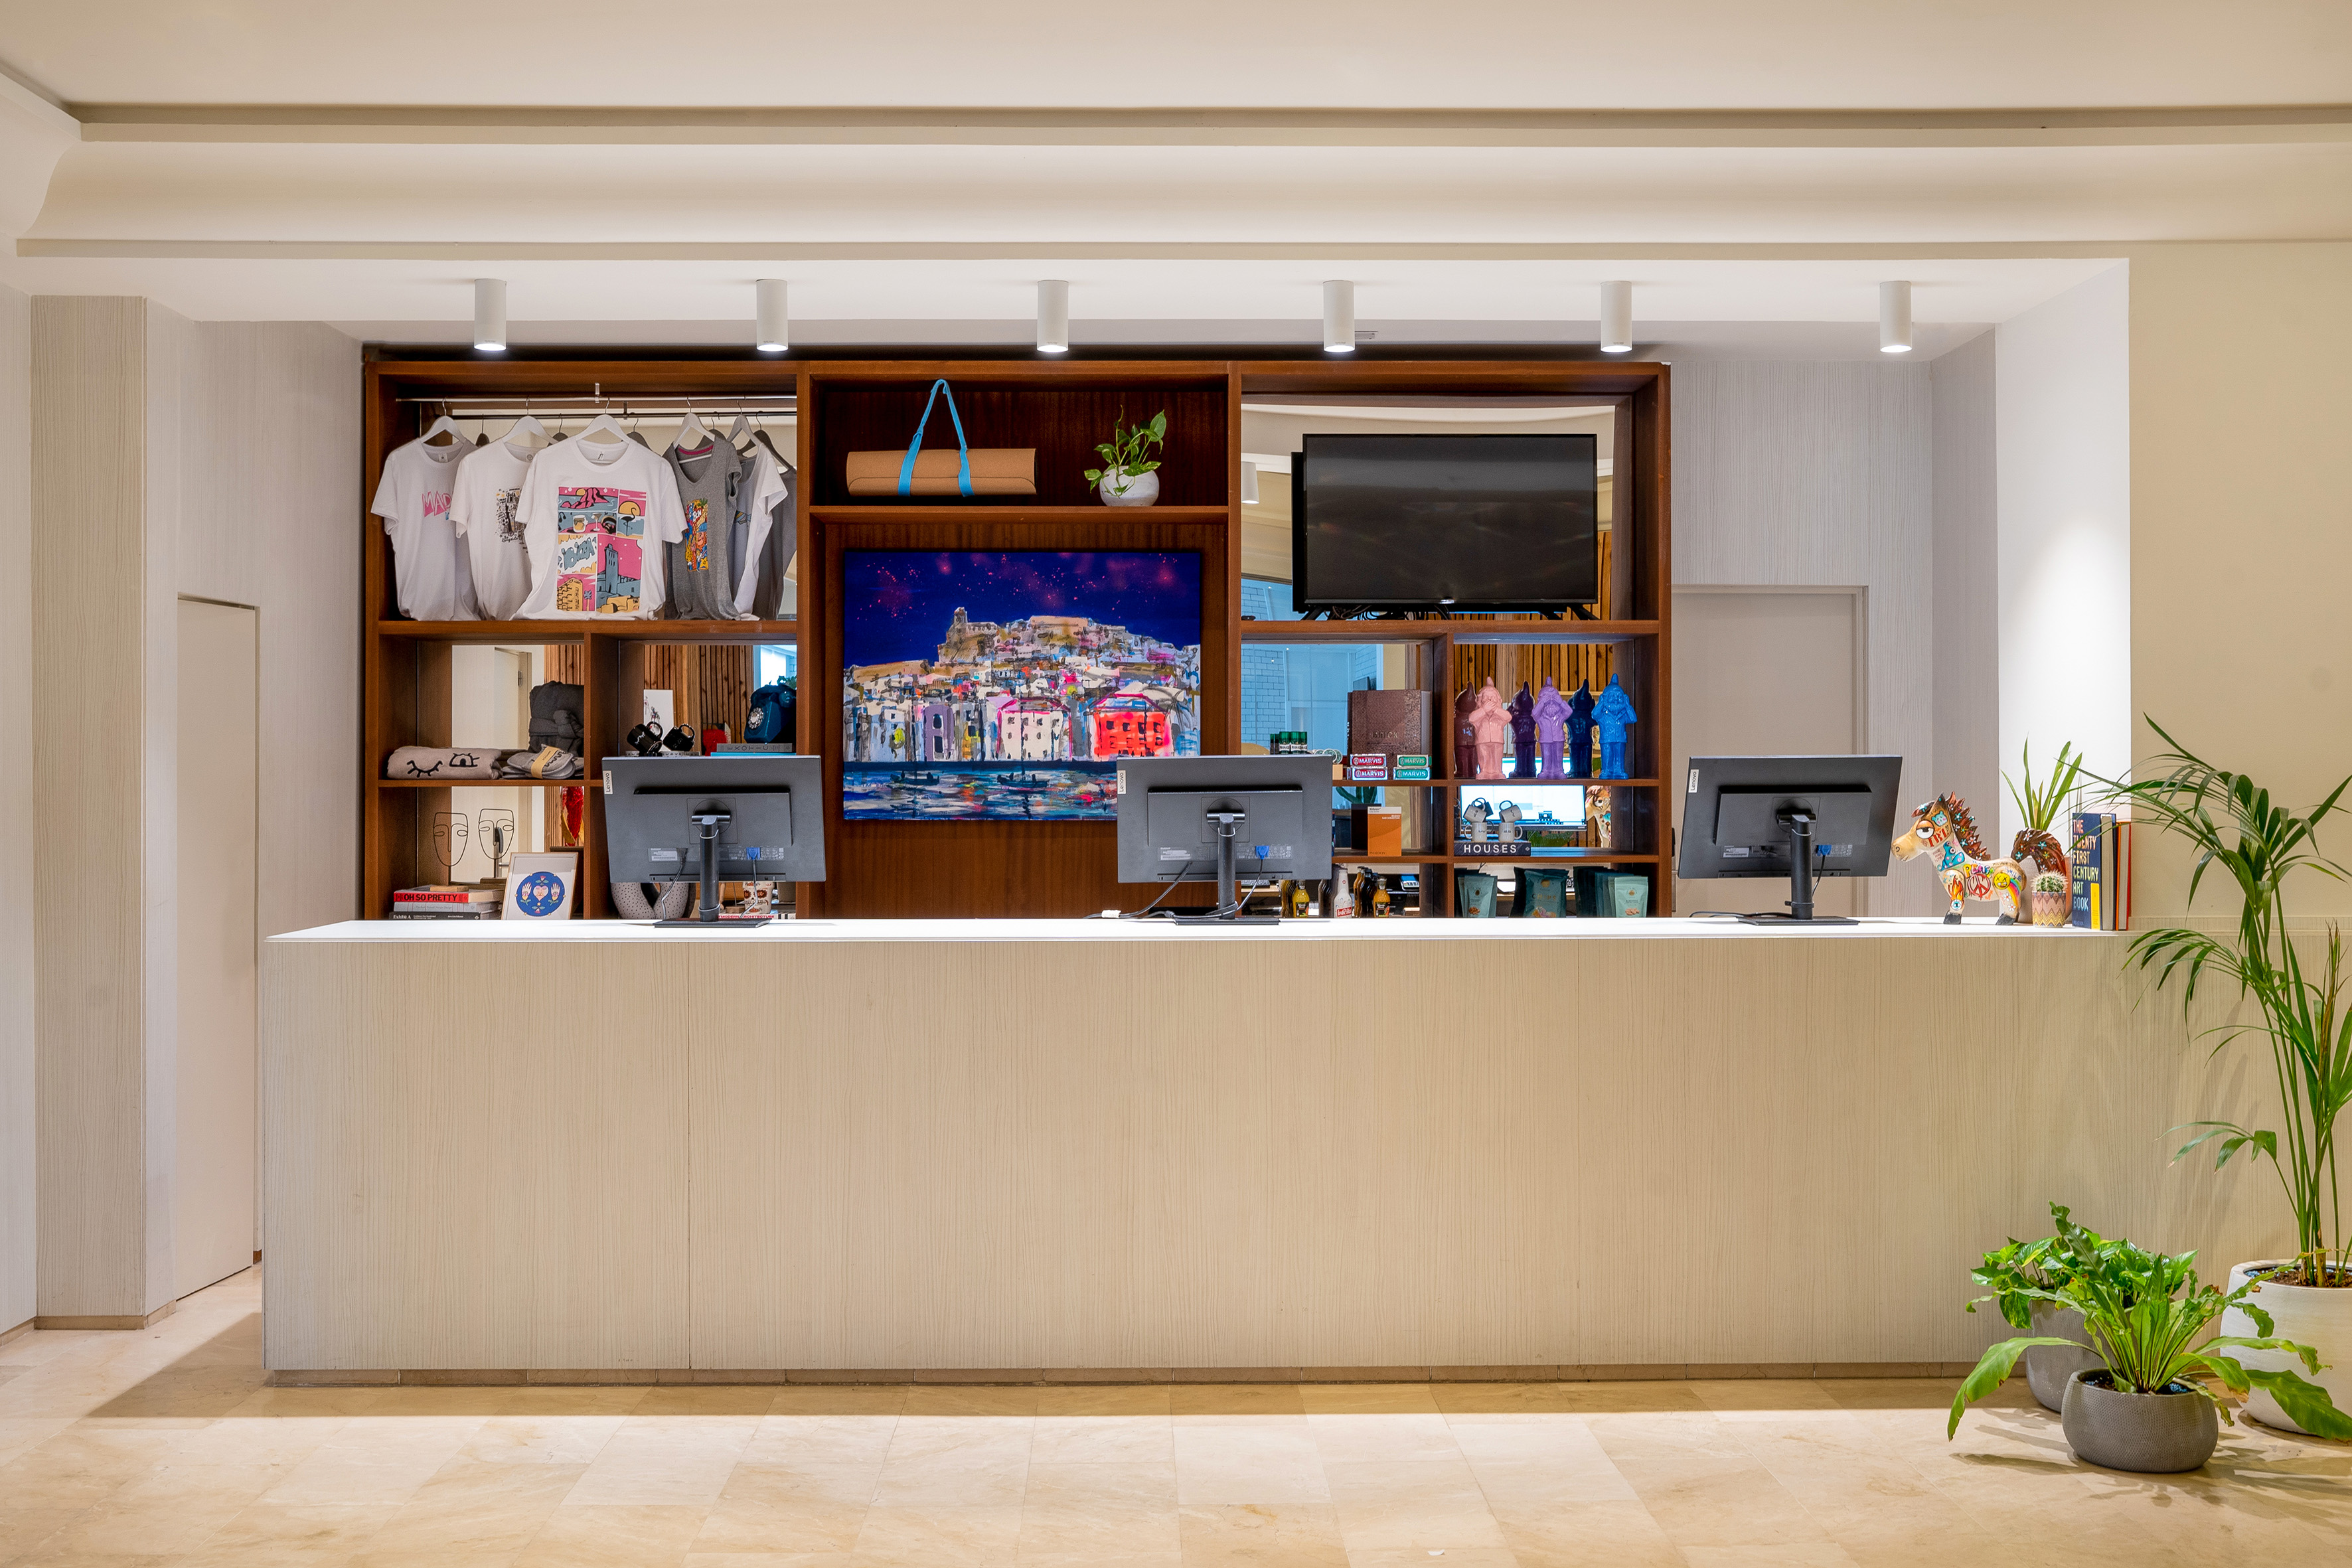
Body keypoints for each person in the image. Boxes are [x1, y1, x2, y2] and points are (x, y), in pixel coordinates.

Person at [1594, 675, 1638, 780]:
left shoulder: (1623, 712)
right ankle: (1606, 770)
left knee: (1619, 755)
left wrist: (1627, 705)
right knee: (1607, 755)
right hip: (1607, 739)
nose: (1615, 700)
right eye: (1612, 697)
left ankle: (1619, 770)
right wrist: (1601, 702)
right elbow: (1594, 714)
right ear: (1606, 698)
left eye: (1618, 697)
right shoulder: (1603, 714)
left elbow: (1633, 719)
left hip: (1620, 738)